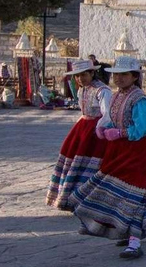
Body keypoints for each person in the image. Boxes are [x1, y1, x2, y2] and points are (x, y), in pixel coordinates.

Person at [70, 56, 146, 259]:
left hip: (136, 150)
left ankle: (134, 242)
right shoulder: (118, 96)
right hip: (118, 150)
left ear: (134, 76)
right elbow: (112, 118)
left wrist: (121, 133)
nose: (118, 79)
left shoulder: (138, 98)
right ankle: (121, 229)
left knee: (134, 193)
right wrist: (105, 128)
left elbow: (144, 127)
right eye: (116, 75)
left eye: (124, 75)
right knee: (112, 188)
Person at [46, 60, 111, 211]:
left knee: (91, 162)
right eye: (77, 76)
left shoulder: (102, 90)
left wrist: (100, 129)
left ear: (92, 73)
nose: (80, 79)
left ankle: (89, 198)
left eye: (84, 75)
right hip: (82, 127)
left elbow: (106, 113)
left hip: (95, 130)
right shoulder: (82, 90)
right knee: (74, 159)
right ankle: (71, 195)